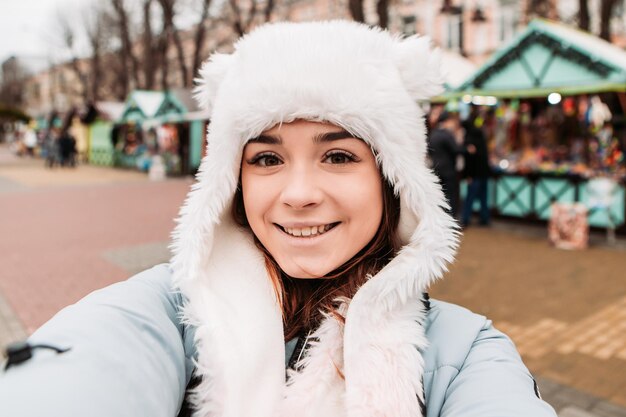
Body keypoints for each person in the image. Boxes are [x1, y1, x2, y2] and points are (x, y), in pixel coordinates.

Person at [0, 21, 556, 417]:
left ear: (393, 181)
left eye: (338, 156)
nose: (298, 194)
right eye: (266, 158)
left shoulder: (464, 352)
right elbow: (85, 369)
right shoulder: (171, 313)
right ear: (231, 181)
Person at [427, 111, 465, 218]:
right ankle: (450, 218)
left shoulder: (433, 134)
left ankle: (440, 218)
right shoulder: (447, 135)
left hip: (436, 169)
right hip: (448, 171)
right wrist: (467, 149)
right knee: (451, 196)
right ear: (447, 121)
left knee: (440, 196)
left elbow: (429, 151)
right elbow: (456, 149)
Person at [461, 115, 491, 227]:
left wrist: (468, 175)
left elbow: (469, 161)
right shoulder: (481, 138)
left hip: (474, 174)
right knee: (484, 197)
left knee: (470, 197)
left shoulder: (469, 140)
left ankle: (465, 218)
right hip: (484, 173)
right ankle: (485, 218)